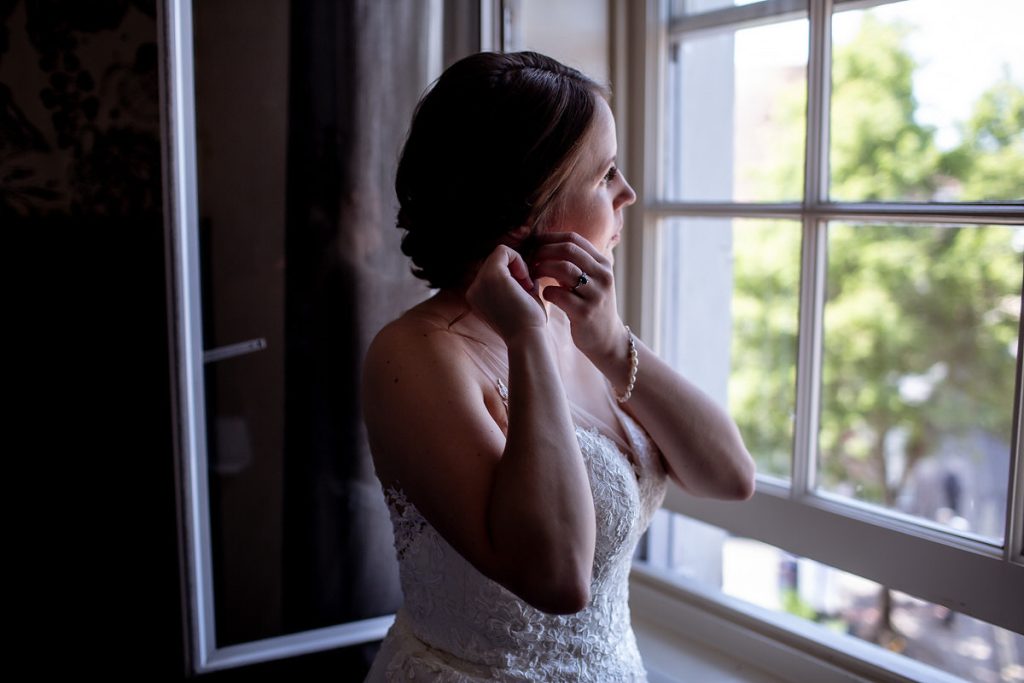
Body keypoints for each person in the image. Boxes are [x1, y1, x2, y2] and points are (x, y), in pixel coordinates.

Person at [362, 51, 755, 682]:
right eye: (604, 176)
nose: (628, 193)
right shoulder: (415, 356)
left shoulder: (581, 325)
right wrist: (527, 337)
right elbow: (559, 577)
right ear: (526, 214)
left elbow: (730, 476)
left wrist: (609, 340)